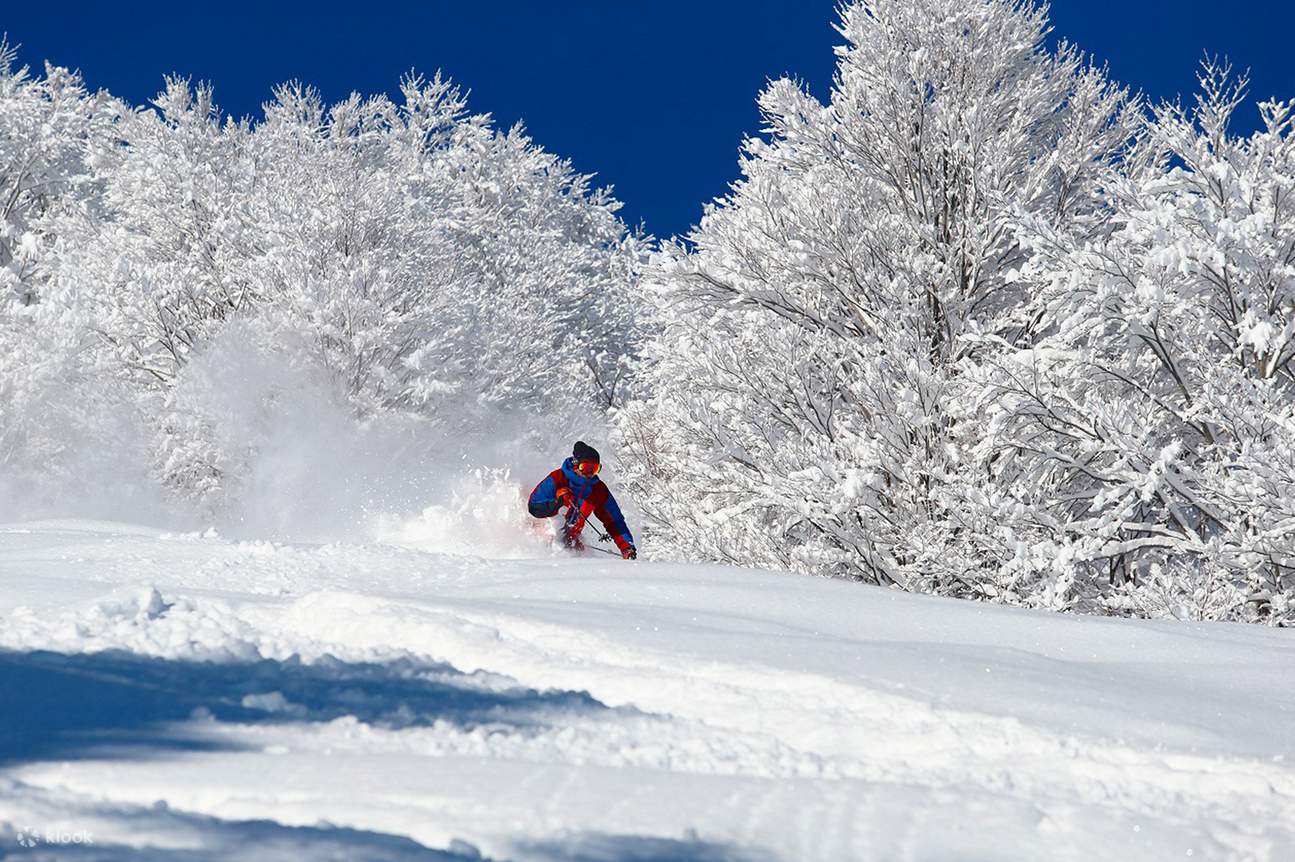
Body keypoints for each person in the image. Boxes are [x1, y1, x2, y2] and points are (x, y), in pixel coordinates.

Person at [528, 441, 637, 559]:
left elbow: (614, 521)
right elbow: (533, 507)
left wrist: (626, 546)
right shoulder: (558, 478)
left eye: (594, 469)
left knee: (579, 556)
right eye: (585, 468)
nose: (590, 473)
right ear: (575, 464)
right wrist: (556, 503)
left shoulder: (597, 489)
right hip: (540, 535)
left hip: (569, 541)